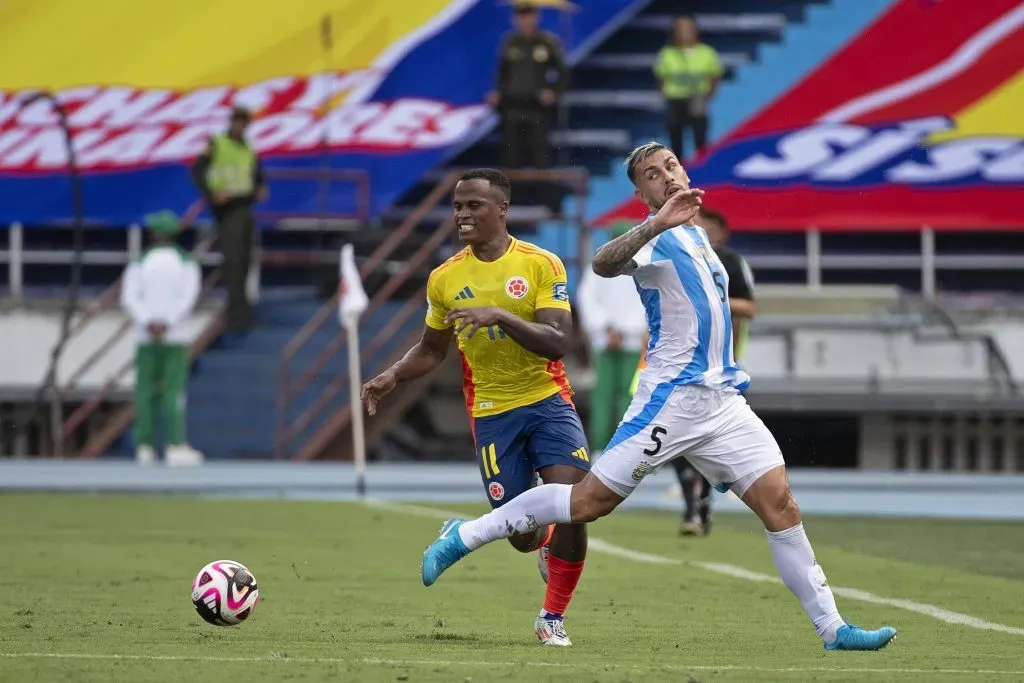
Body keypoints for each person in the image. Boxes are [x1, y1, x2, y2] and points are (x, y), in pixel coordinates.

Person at [418, 144, 897, 652]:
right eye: (651, 175)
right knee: (587, 503)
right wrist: (654, 223)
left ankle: (832, 630)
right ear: (641, 194)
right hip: (672, 397)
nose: (665, 176)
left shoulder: (697, 235)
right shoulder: (655, 236)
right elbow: (604, 263)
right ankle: (466, 535)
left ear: (684, 171)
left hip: (724, 400)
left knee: (781, 505)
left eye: (669, 166)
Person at [361, 168, 590, 647]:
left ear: (501, 209)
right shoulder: (445, 278)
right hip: (491, 411)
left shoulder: (541, 264)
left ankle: (552, 616)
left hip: (548, 400)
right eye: (458, 206)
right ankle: (539, 542)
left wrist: (499, 315)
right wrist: (393, 375)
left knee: (573, 504)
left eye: (474, 206)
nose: (462, 214)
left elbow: (557, 342)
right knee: (521, 533)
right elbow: (431, 348)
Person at [661, 207, 757, 535]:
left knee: (712, 438)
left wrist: (713, 302)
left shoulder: (730, 262)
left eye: (710, 227)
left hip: (721, 366)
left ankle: (703, 506)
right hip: (679, 363)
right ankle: (692, 507)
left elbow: (750, 306)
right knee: (677, 436)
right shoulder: (678, 257)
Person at [119, 210, 204, 467]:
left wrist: (148, 321)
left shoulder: (139, 263)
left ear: (153, 233)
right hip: (175, 336)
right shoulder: (187, 264)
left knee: (144, 391)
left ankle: (144, 446)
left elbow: (130, 297)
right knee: (173, 391)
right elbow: (188, 298)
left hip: (145, 336)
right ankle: (174, 444)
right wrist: (167, 322)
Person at [190, 105, 268, 333]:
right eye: (237, 120)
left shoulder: (248, 147)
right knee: (234, 262)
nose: (240, 125)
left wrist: (260, 187)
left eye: (244, 122)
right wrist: (211, 194)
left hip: (245, 206)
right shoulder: (217, 144)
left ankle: (243, 312)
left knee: (245, 261)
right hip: (227, 210)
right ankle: (237, 317)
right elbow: (197, 170)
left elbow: (256, 173)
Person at [576, 223, 647, 453]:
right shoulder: (643, 265)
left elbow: (587, 301)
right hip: (631, 339)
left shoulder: (597, 266)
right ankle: (623, 449)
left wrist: (608, 328)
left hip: (612, 339)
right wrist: (624, 329)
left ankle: (605, 448)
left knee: (609, 396)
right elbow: (649, 302)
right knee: (627, 396)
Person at [488, 2, 569, 170]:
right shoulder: (510, 41)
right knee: (511, 152)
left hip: (537, 105)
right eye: (521, 16)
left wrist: (554, 92)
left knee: (540, 152)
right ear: (514, 19)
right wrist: (497, 92)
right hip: (513, 104)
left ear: (536, 17)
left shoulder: (547, 41)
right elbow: (502, 73)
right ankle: (511, 194)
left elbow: (563, 72)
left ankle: (544, 193)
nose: (525, 20)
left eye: (529, 15)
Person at [654, 16, 722, 161]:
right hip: (675, 97)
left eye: (688, 30)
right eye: (680, 30)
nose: (684, 34)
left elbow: (714, 76)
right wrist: (667, 93)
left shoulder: (707, 52)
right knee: (675, 133)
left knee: (700, 133)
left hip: (698, 96)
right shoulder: (667, 53)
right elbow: (661, 77)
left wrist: (707, 95)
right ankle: (678, 167)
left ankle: (703, 166)